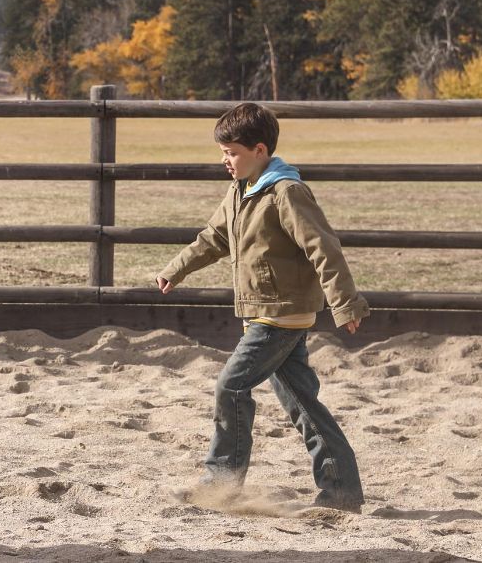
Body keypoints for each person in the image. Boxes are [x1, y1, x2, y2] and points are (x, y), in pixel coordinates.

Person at [155, 102, 368, 513]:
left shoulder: (286, 193)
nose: (226, 161)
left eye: (232, 152)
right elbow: (213, 237)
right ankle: (341, 491)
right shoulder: (241, 192)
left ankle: (221, 484)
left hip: (279, 315)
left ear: (259, 149)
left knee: (231, 387)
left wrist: (345, 303)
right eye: (222, 152)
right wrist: (175, 269)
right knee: (303, 403)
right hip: (265, 312)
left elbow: (323, 247)